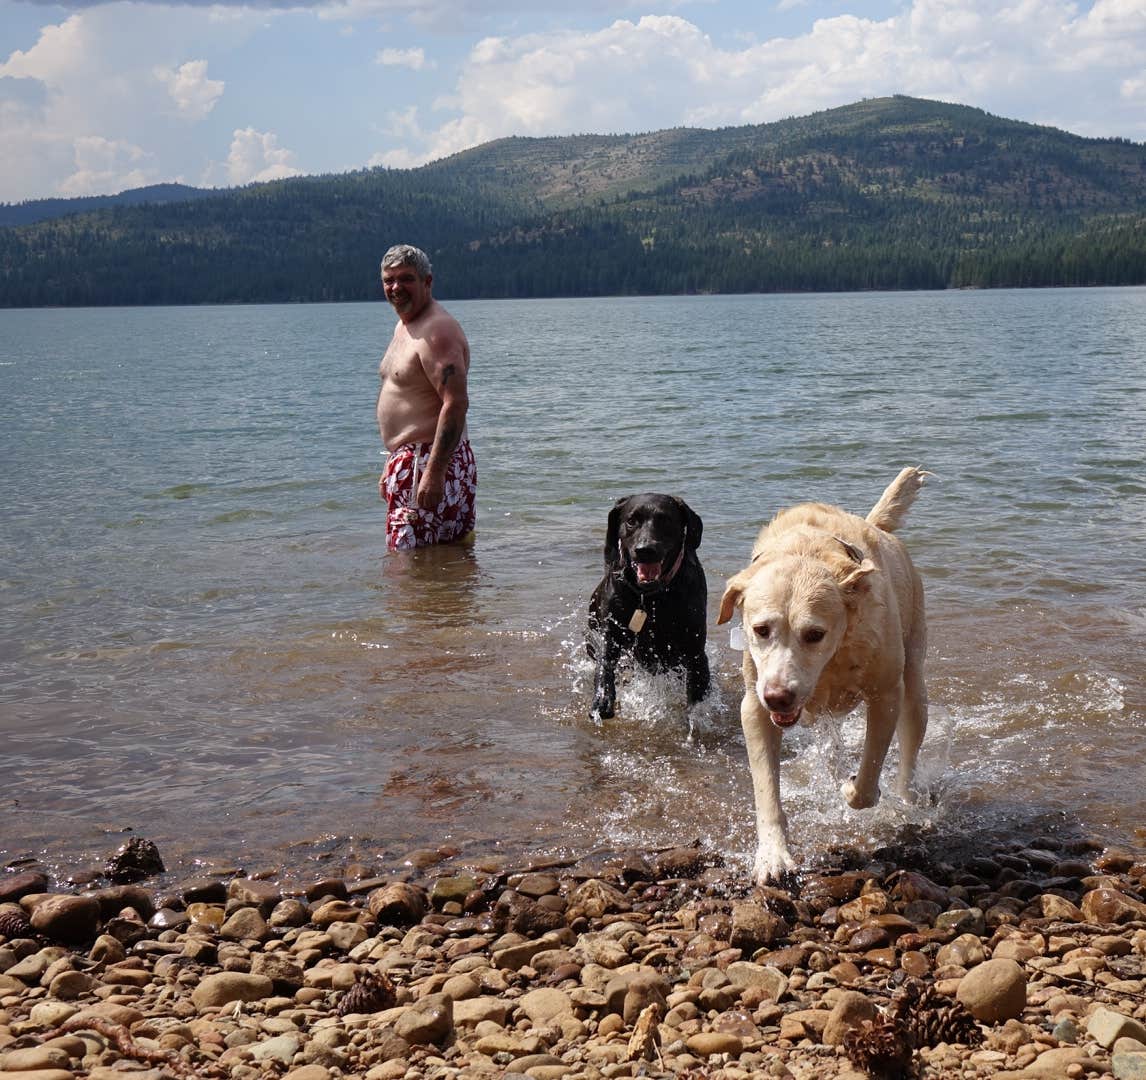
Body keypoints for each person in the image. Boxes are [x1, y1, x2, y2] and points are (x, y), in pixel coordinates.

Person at [376, 244, 477, 551]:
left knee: (410, 567)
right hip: (415, 461)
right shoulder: (406, 326)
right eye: (389, 280)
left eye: (406, 279)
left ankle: (431, 603)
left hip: (428, 462)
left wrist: (433, 473)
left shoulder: (438, 331)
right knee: (433, 567)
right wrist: (392, 461)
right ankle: (440, 603)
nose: (396, 288)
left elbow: (455, 403)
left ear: (427, 282)